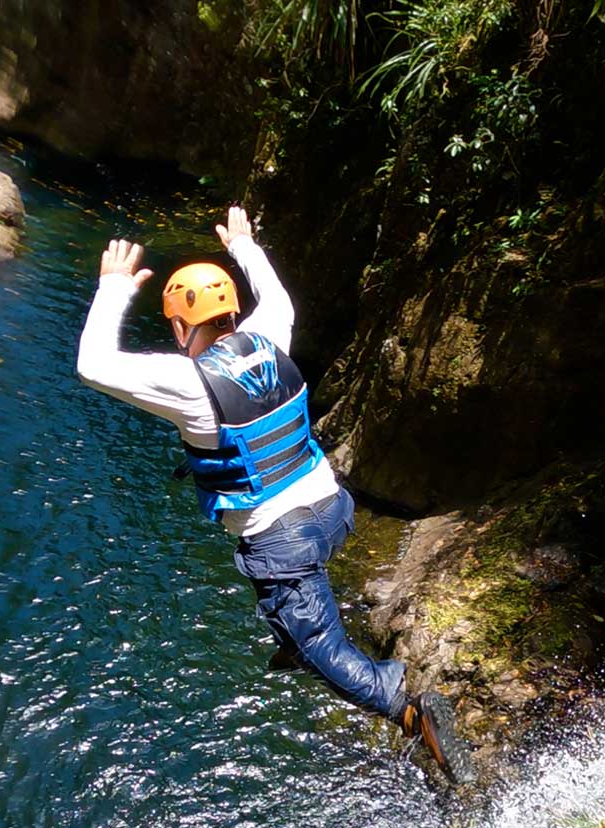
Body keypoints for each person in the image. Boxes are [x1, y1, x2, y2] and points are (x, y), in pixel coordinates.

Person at [76, 206, 476, 784]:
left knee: (320, 646)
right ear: (233, 312)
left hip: (282, 540)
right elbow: (277, 294)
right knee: (293, 597)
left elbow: (92, 366)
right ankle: (294, 628)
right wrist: (244, 244)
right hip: (335, 512)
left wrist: (113, 288)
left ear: (181, 327)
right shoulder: (272, 332)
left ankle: (409, 711)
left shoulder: (187, 383)